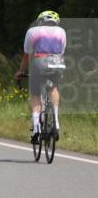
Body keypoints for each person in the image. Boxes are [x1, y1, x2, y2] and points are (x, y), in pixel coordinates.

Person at [16, 10, 66, 142]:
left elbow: (27, 56)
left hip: (39, 62)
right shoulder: (61, 32)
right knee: (53, 88)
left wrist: (21, 71)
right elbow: (61, 52)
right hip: (57, 63)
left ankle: (37, 127)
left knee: (35, 94)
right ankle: (56, 120)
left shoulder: (32, 31)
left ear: (40, 21)